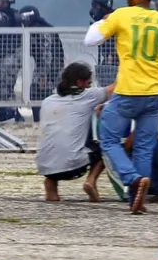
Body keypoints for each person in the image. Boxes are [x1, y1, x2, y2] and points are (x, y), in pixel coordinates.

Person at [84, 0, 158, 214]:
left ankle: (131, 179)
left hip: (128, 92)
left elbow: (91, 40)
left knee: (108, 139)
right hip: (154, 95)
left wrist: (104, 20)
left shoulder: (121, 15)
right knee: (144, 147)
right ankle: (137, 200)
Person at [35, 62, 113, 202]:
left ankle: (51, 188)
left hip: (45, 166)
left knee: (56, 140)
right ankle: (91, 181)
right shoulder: (87, 96)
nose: (90, 85)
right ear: (80, 82)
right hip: (73, 167)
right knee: (107, 146)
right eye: (89, 82)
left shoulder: (48, 101)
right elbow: (116, 88)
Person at [20, 5, 64, 123]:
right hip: (47, 68)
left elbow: (47, 53)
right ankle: (42, 122)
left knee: (39, 94)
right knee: (38, 94)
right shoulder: (37, 28)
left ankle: (43, 123)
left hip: (49, 69)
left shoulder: (41, 30)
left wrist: (44, 75)